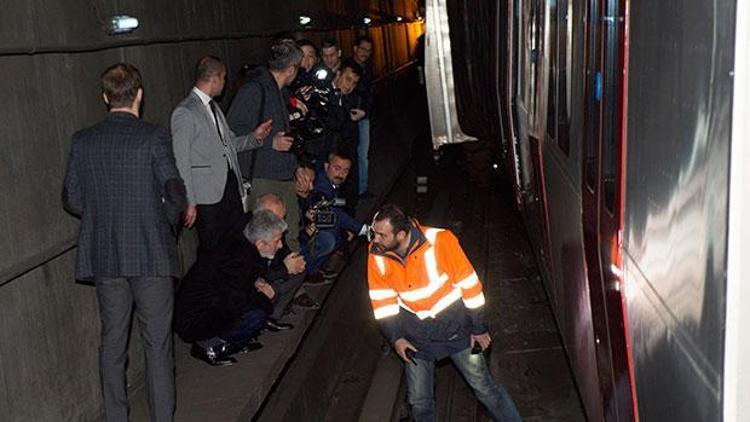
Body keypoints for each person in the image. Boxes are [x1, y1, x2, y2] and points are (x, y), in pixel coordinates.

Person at [62, 63, 187, 422]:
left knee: (112, 343)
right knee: (158, 346)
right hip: (150, 258)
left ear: (105, 97)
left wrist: (103, 215)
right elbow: (175, 193)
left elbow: (71, 197)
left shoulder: (82, 141)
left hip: (107, 257)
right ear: (140, 94)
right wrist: (161, 224)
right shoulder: (153, 137)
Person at [367, 204, 522, 422]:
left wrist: (478, 329)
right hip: (416, 336)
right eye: (375, 233)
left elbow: (471, 287)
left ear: (401, 235)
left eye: (382, 235)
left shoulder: (441, 241)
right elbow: (382, 303)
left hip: (455, 329)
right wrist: (397, 339)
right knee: (419, 401)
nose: (376, 239)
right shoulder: (376, 255)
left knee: (484, 387)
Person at [171, 55, 271, 251]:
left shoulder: (214, 108)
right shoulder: (185, 112)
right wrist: (189, 200)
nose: (224, 84)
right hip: (207, 195)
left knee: (235, 244)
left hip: (229, 187)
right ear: (215, 77)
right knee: (212, 249)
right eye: (224, 78)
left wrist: (255, 137)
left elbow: (228, 145)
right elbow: (180, 159)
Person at [227, 40, 313, 251]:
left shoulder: (281, 93)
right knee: (267, 240)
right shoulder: (254, 90)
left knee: (290, 233)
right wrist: (268, 143)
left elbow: (287, 138)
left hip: (283, 175)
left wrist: (297, 168)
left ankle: (289, 278)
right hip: (263, 178)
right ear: (291, 69)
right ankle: (269, 282)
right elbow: (230, 134)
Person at [174, 209, 286, 366]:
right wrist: (263, 296)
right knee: (256, 315)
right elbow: (235, 302)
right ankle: (209, 346)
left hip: (208, 308)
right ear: (260, 243)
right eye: (277, 241)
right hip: (195, 319)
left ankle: (232, 343)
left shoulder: (241, 248)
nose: (280, 245)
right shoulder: (238, 260)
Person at [300, 150, 367, 281]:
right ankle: (308, 271)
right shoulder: (322, 184)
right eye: (337, 168)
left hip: (314, 224)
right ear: (326, 166)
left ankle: (313, 269)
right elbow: (331, 212)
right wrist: (360, 228)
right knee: (329, 240)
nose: (341, 174)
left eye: (345, 171)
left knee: (340, 235)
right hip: (302, 228)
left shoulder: (333, 183)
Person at [252, 193, 310, 325]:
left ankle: (272, 316)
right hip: (252, 286)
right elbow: (251, 276)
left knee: (300, 269)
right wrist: (284, 269)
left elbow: (284, 251)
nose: (281, 223)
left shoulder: (276, 229)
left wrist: (293, 261)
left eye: (282, 218)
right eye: (277, 219)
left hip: (268, 274)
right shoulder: (248, 238)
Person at [350, 35, 375, 198]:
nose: (365, 53)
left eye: (368, 50)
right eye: (362, 49)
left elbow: (370, 95)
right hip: (350, 115)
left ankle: (361, 188)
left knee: (362, 154)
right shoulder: (348, 67)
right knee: (352, 154)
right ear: (355, 49)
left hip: (363, 116)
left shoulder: (367, 69)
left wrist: (365, 111)